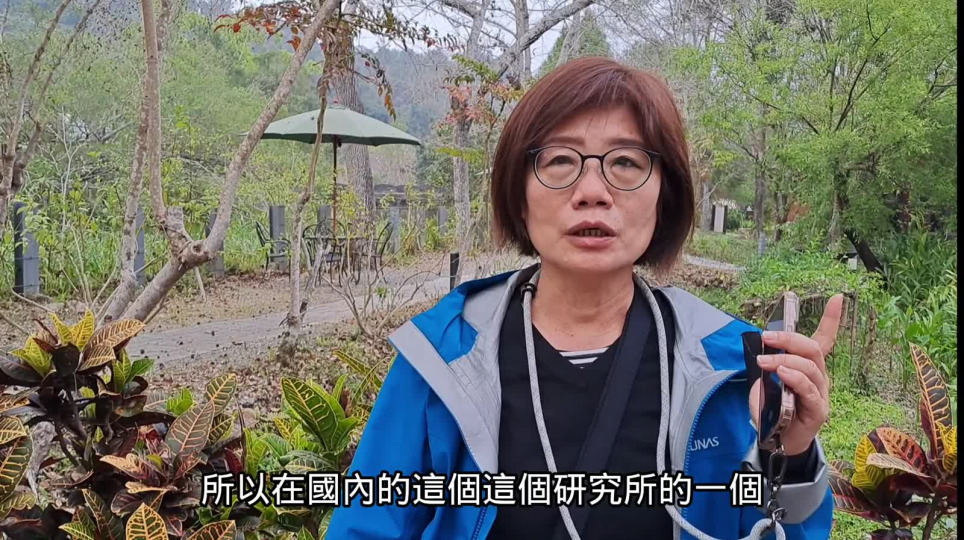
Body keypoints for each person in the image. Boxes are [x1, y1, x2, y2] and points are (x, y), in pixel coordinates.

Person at [326, 57, 841, 540]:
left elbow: (779, 527)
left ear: (664, 198)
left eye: (625, 162)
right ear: (519, 197)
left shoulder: (730, 367)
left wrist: (791, 453)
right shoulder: (442, 359)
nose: (592, 191)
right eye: (559, 160)